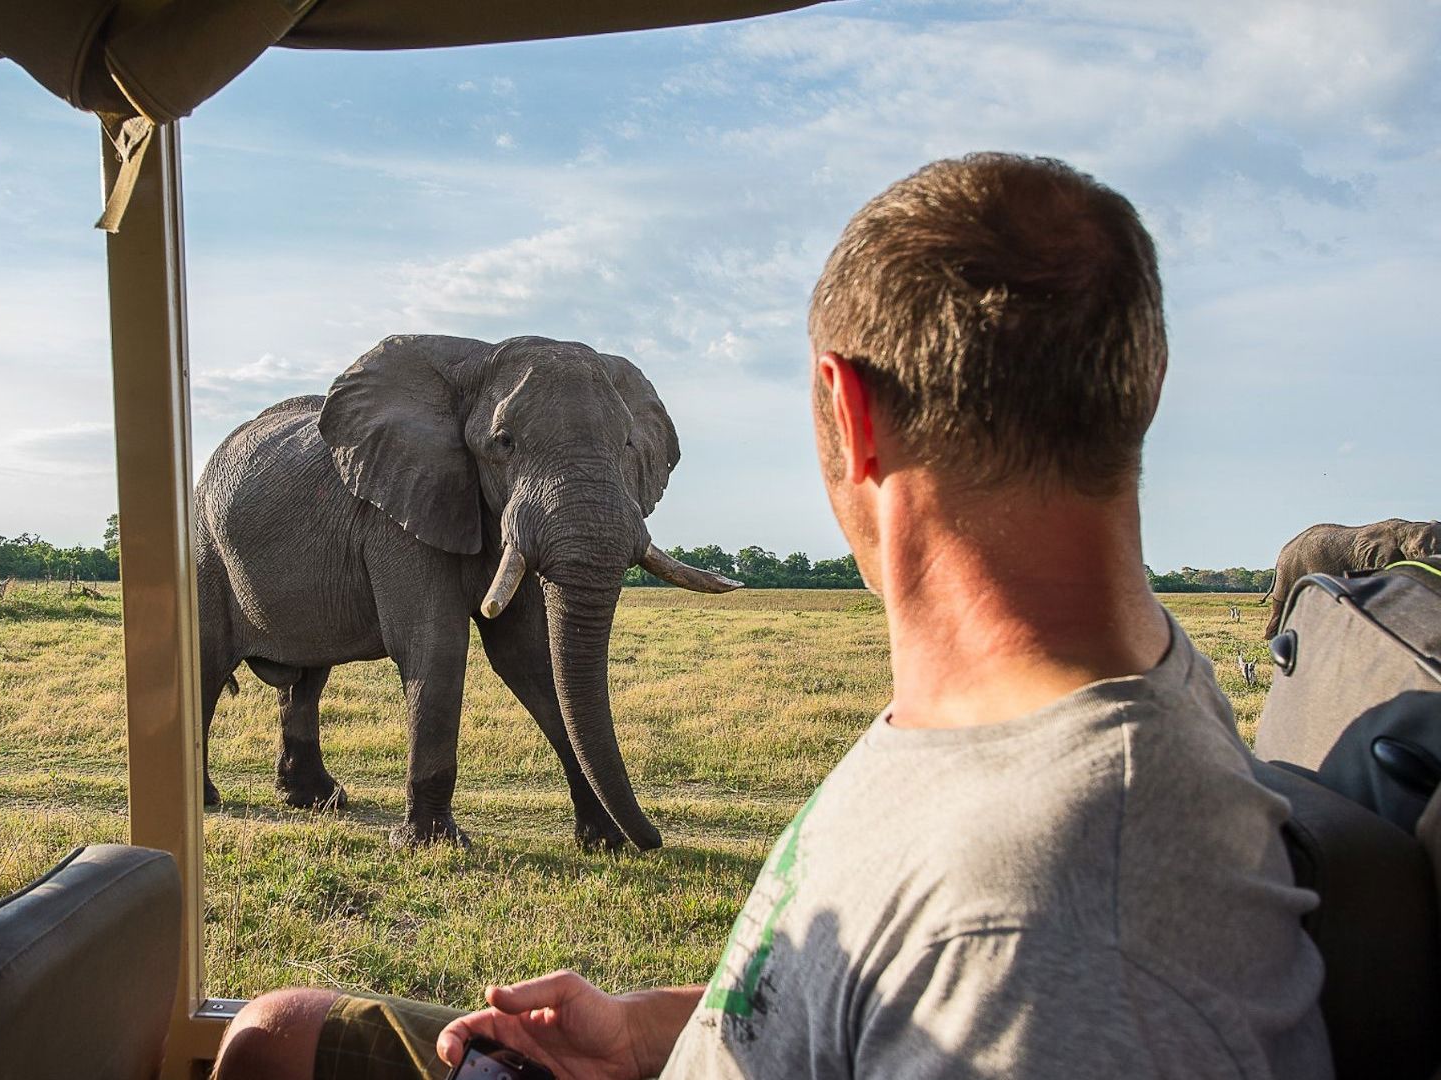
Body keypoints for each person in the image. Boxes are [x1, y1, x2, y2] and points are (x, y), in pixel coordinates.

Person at [212, 153, 1333, 1079]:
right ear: (1144, 386)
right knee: (276, 1030)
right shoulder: (1017, 724)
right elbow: (878, 1001)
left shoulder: (1048, 944)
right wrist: (657, 1030)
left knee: (268, 1043)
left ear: (850, 414)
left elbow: (992, 975)